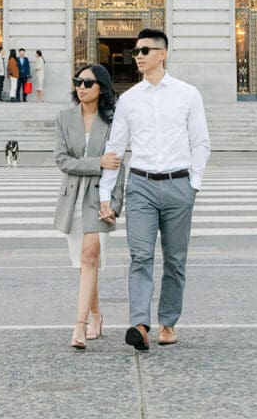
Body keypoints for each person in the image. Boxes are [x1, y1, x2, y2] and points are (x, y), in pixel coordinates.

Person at [99, 28, 210, 351]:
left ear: (163, 53)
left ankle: (168, 322)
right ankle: (140, 325)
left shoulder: (188, 94)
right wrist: (106, 195)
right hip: (141, 186)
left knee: (175, 259)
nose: (138, 57)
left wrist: (193, 185)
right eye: (135, 52)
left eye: (144, 51)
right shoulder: (130, 99)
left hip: (178, 185)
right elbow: (115, 150)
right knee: (140, 256)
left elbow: (200, 142)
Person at [54, 63, 125, 350]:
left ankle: (79, 325)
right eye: (78, 82)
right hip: (73, 196)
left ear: (101, 88)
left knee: (90, 255)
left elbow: (119, 166)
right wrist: (97, 163)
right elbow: (62, 160)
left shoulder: (113, 122)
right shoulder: (64, 118)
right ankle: (96, 314)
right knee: (85, 263)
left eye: (87, 83)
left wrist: (116, 205)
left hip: (100, 196)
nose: (81, 87)